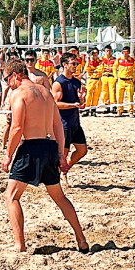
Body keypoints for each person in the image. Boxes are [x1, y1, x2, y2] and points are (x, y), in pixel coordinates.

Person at [0, 59, 88, 253]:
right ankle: (81, 238)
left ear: (15, 75)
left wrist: (8, 155)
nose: (7, 84)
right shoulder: (46, 92)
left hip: (32, 147)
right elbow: (57, 125)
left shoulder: (18, 94)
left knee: (11, 196)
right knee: (59, 197)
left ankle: (19, 244)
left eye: (7, 79)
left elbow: (17, 128)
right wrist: (61, 154)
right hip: (50, 146)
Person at [1, 50, 51, 150]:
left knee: (30, 127)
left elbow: (48, 93)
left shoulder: (41, 76)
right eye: (27, 60)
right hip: (18, 102)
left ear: (36, 60)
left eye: (31, 60)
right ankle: (4, 145)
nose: (29, 62)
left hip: (35, 105)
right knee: (10, 124)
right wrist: (6, 105)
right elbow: (9, 89)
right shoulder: (20, 74)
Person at [52, 53, 87, 185]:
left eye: (76, 63)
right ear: (65, 65)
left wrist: (82, 100)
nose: (76, 66)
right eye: (73, 64)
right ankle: (57, 178)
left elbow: (80, 103)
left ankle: (64, 171)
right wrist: (72, 105)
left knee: (82, 150)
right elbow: (55, 104)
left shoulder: (76, 82)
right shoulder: (58, 83)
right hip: (63, 124)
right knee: (63, 153)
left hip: (75, 122)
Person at [114, 46, 135, 117]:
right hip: (121, 80)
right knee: (119, 96)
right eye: (124, 52)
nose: (125, 54)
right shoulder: (119, 60)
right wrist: (116, 77)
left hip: (129, 81)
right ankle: (119, 110)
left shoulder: (132, 60)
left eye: (126, 52)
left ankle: (130, 111)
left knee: (130, 97)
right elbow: (114, 68)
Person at [82, 48, 103, 117]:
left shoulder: (100, 62)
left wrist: (93, 69)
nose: (94, 54)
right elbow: (87, 69)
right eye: (93, 53)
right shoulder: (89, 61)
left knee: (96, 96)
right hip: (90, 79)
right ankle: (87, 110)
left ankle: (93, 110)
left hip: (97, 80)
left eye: (96, 53)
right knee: (88, 95)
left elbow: (100, 70)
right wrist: (88, 60)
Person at [100, 45, 117, 113]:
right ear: (104, 52)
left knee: (112, 91)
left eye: (110, 51)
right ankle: (106, 106)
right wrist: (105, 69)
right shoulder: (101, 59)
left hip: (111, 76)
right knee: (105, 92)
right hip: (104, 76)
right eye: (107, 51)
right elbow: (100, 68)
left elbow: (116, 67)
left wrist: (111, 69)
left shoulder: (114, 59)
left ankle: (114, 105)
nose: (108, 52)